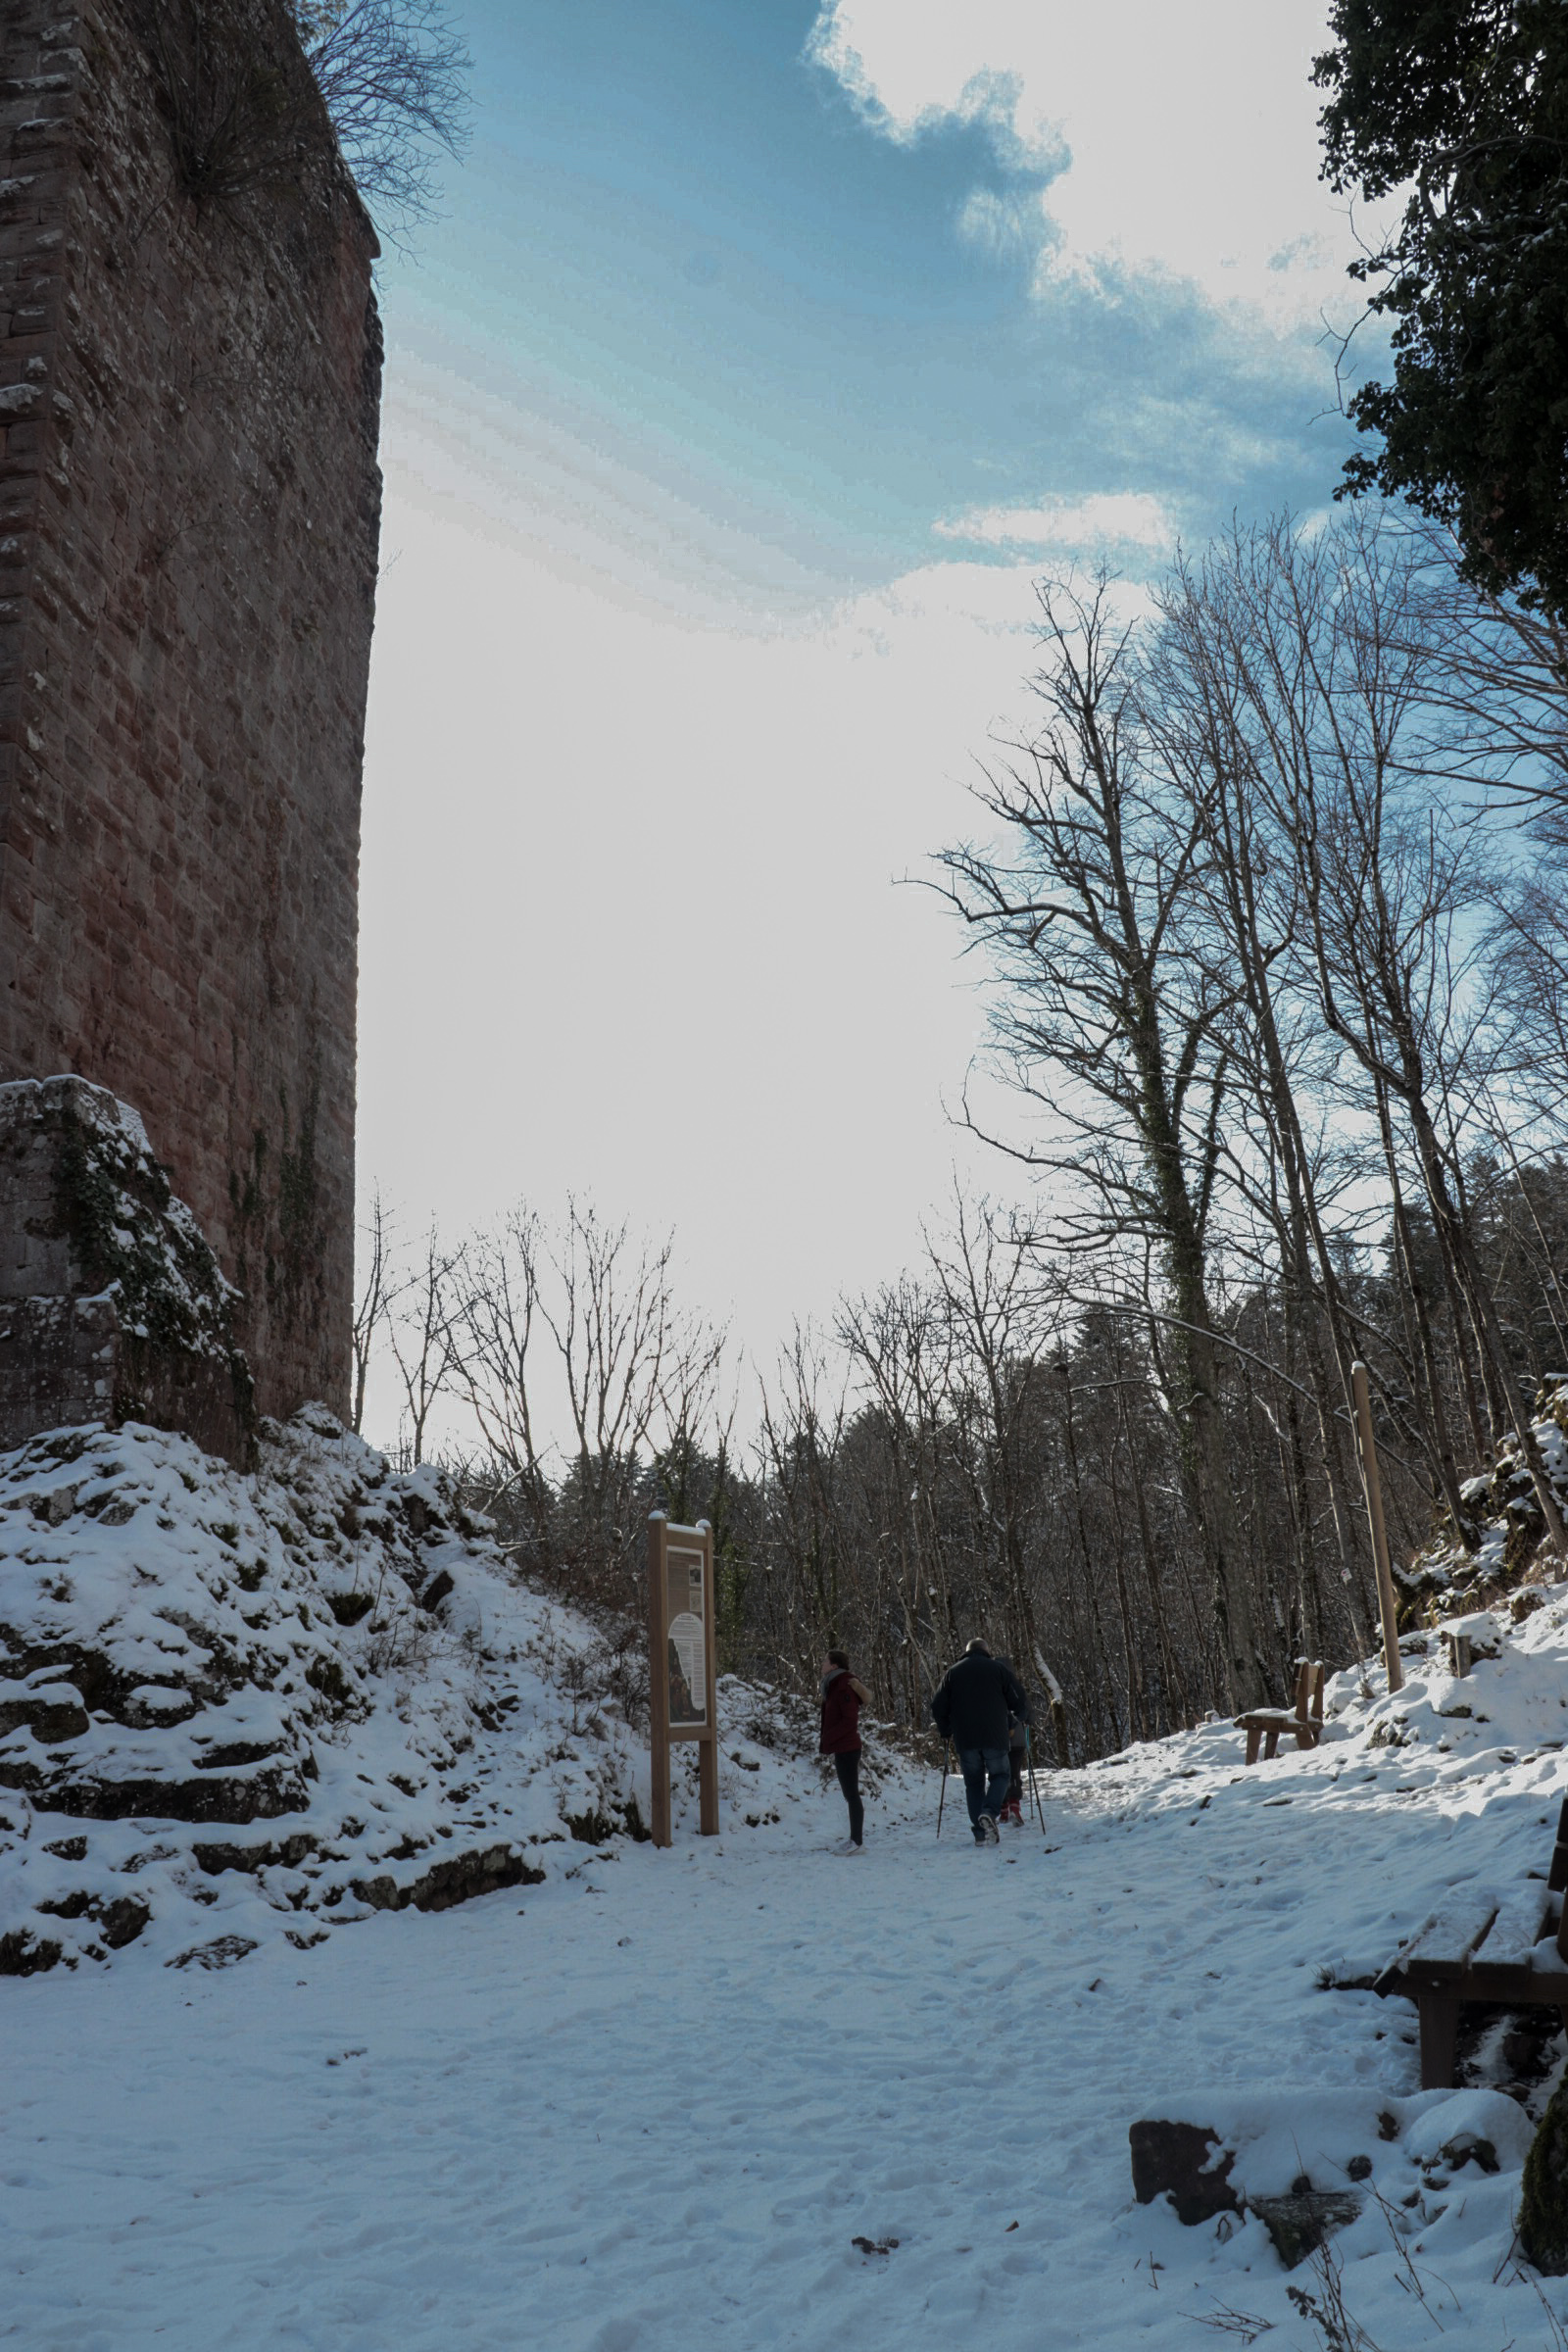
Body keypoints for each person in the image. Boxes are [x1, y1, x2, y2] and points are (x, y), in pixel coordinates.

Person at [930, 1639, 1030, 1845]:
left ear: (966, 1652)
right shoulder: (998, 1670)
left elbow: (937, 1705)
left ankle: (979, 1833)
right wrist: (1020, 1717)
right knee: (1001, 1775)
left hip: (965, 1738)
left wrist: (946, 1729)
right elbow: (1019, 1699)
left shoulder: (953, 1673)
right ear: (987, 1651)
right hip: (995, 1735)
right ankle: (989, 1812)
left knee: (973, 1784)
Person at [819, 1648, 870, 1853]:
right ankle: (855, 1840)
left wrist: (828, 1738)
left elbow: (849, 1720)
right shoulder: (834, 1685)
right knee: (850, 1794)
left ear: (834, 1666)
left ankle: (856, 1842)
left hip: (848, 1747)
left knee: (852, 1795)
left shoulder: (843, 1687)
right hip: (843, 1746)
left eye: (825, 1661)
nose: (821, 1664)